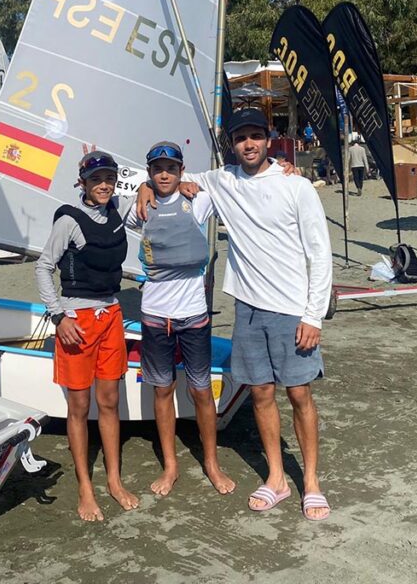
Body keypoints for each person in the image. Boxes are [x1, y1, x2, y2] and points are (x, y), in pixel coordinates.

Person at [138, 108, 333, 520]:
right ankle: (277, 478)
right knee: (261, 394)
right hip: (247, 307)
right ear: (232, 144)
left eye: (256, 136)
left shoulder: (296, 186)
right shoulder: (222, 180)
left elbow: (320, 253)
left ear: (269, 139)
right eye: (241, 137)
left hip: (292, 309)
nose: (249, 144)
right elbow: (168, 178)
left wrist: (313, 316)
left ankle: (312, 482)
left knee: (299, 394)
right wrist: (143, 186)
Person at [126, 141, 235, 497]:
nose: (164, 175)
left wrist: (285, 167)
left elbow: (230, 178)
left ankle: (211, 463)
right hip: (156, 317)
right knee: (163, 390)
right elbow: (107, 198)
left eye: (171, 169)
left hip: (193, 317)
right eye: (157, 169)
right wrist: (141, 188)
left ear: (181, 170)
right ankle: (170, 466)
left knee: (201, 390)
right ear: (149, 172)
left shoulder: (198, 201)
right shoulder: (141, 207)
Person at [35, 150, 139, 521]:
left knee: (109, 401)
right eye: (96, 179)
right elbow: (43, 268)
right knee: (79, 407)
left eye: (109, 178)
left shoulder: (118, 208)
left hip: (110, 314)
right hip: (76, 320)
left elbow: (153, 188)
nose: (104, 185)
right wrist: (58, 317)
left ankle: (114, 480)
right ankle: (85, 488)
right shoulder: (69, 220)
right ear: (82, 183)